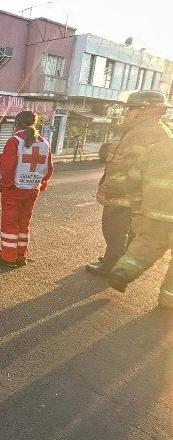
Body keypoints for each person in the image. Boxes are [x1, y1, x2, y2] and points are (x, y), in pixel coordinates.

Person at [85, 90, 172, 276]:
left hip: (123, 194)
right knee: (126, 231)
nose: (127, 112)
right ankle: (116, 261)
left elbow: (130, 166)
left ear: (143, 110)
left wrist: (112, 187)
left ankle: (111, 265)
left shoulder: (143, 131)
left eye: (131, 108)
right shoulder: (154, 129)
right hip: (136, 194)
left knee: (114, 230)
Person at [107, 135, 173, 306]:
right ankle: (168, 298)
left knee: (146, 246)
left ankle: (123, 271)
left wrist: (138, 204)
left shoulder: (156, 148)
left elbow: (132, 180)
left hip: (152, 213)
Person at [0, 110, 53, 269]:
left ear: (17, 124)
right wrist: (40, 183)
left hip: (14, 189)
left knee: (9, 224)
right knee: (24, 223)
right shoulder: (44, 142)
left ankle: (8, 257)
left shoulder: (15, 140)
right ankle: (20, 256)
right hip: (33, 189)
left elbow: (7, 168)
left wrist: (6, 185)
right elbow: (48, 169)